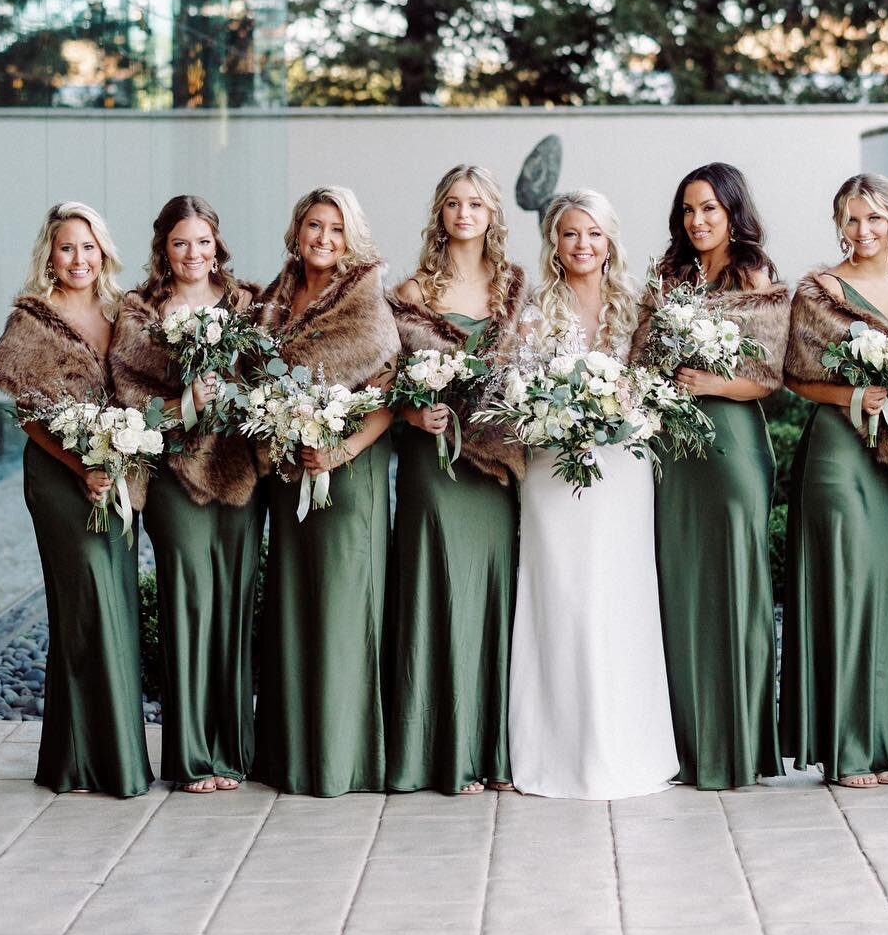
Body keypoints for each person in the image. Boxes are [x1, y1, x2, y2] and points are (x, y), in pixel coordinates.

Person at [505, 189, 678, 798]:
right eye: (570, 233)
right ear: (555, 241)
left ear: (610, 241)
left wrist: (618, 409)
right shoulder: (535, 309)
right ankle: (555, 748)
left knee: (618, 598)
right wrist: (557, 417)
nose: (582, 245)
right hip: (554, 469)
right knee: (562, 598)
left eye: (593, 234)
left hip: (622, 468)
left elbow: (656, 385)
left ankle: (627, 745)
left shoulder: (637, 305)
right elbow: (516, 389)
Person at [0, 202, 151, 797]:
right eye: (66, 248)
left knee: (117, 604)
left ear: (102, 251)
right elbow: (27, 414)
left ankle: (112, 756)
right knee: (85, 609)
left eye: (88, 247)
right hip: (59, 478)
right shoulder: (33, 318)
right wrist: (81, 465)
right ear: (49, 255)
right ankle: (80, 762)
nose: (79, 259)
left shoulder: (123, 312)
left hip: (117, 475)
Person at [635, 162, 788, 789]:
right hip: (674, 447)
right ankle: (685, 745)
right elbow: (641, 353)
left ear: (732, 212)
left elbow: (771, 373)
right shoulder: (667, 278)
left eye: (709, 210)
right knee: (679, 584)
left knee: (733, 584)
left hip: (731, 447)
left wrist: (712, 383)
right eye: (689, 211)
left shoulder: (755, 275)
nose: (698, 222)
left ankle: (738, 746)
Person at [780, 173, 888, 788]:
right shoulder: (820, 292)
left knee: (885, 588)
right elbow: (795, 375)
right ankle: (844, 748)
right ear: (838, 226)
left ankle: (882, 744)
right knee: (843, 585)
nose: (863, 230)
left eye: (874, 218)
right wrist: (854, 393)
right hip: (840, 451)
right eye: (850, 219)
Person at [110, 194, 262, 792]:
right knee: (187, 600)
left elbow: (273, 373)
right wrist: (181, 404)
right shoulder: (139, 310)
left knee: (234, 602)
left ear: (216, 243)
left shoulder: (249, 304)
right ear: (163, 249)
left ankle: (233, 751)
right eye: (180, 243)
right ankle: (193, 756)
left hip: (240, 472)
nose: (192, 254)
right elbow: (126, 395)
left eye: (202, 242)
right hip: (175, 475)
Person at [251, 187, 399, 796]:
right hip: (290, 476)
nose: (323, 239)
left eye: (336, 230)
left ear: (351, 238)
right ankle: (291, 756)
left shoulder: (366, 299)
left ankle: (345, 759)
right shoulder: (274, 302)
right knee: (293, 606)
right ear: (297, 231)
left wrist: (338, 450)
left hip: (347, 474)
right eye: (315, 225)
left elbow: (388, 390)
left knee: (342, 610)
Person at [386, 165, 527, 795]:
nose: (464, 213)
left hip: (493, 463)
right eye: (452, 203)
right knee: (435, 587)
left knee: (491, 591)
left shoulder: (516, 287)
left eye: (475, 203)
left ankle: (492, 751)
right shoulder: (413, 291)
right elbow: (384, 376)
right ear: (439, 213)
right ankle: (439, 752)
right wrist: (415, 412)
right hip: (433, 460)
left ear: (493, 212)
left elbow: (533, 364)